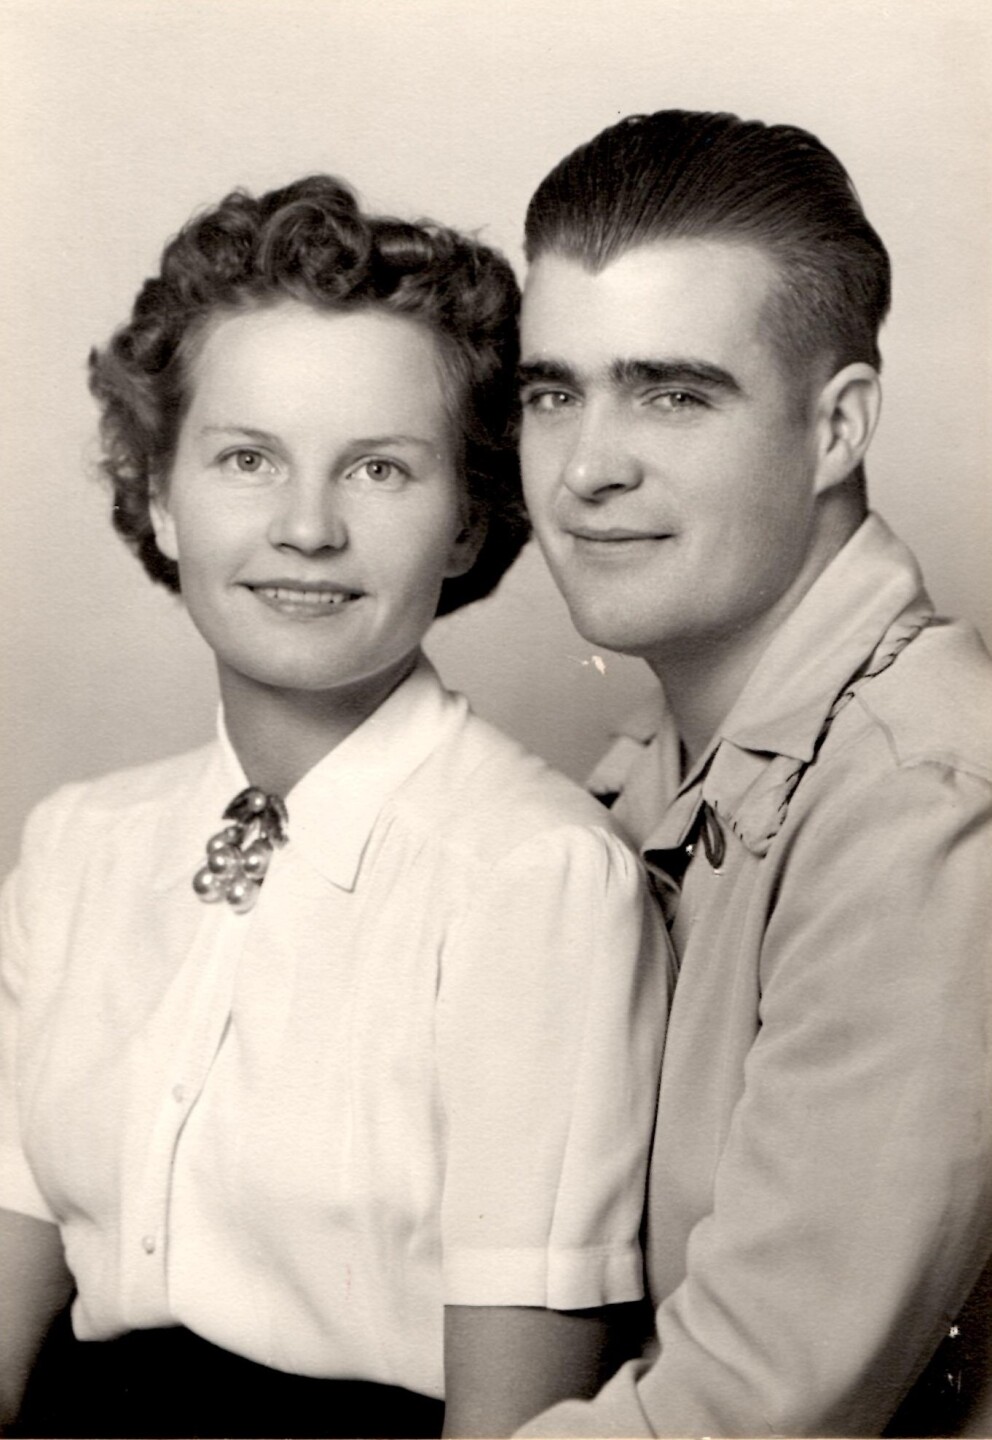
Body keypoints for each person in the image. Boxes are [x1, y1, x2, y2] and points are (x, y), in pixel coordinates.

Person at [0, 176, 667, 1439]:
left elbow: (514, 1420)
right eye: (246, 459)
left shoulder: (536, 879)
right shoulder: (77, 848)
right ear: (157, 494)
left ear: (470, 517)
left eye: (378, 468)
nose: (306, 528)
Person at [515, 110, 992, 1437]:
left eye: (673, 391)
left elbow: (744, 1412)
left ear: (837, 427)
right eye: (554, 390)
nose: (589, 468)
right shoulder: (646, 779)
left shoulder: (928, 797)